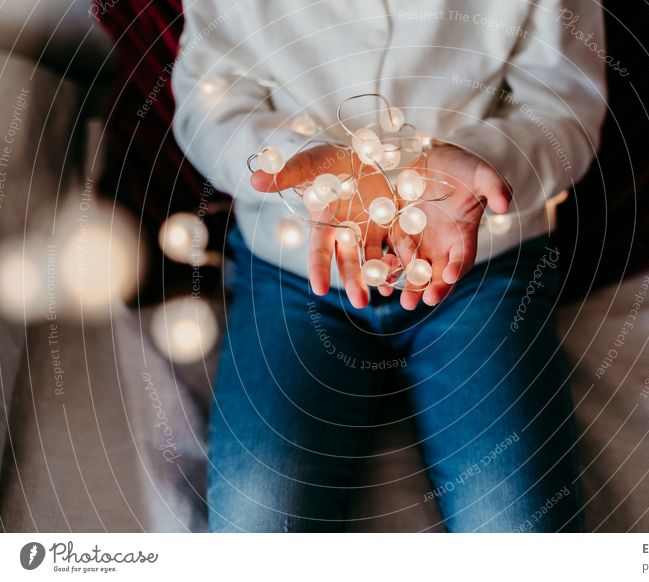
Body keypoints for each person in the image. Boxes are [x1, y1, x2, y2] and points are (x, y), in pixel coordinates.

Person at [172, 0, 606, 532]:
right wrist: (298, 162)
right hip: (291, 268)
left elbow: (566, 109)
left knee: (521, 528)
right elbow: (207, 107)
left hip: (483, 270)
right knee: (259, 522)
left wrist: (482, 163)